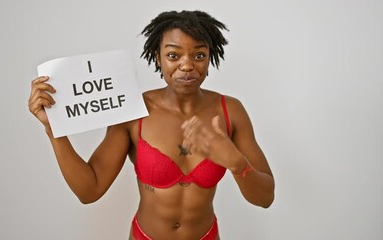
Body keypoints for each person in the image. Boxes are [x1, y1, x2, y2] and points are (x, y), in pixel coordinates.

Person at [28, 10, 275, 240]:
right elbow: (90, 191)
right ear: (158, 57)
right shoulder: (134, 112)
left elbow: (265, 198)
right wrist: (54, 130)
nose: (187, 65)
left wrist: (236, 163)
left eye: (199, 55)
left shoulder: (230, 111)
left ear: (210, 57)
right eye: (173, 55)